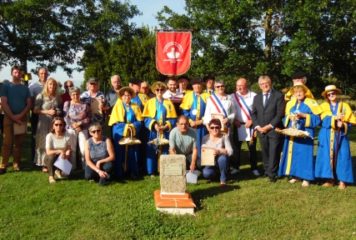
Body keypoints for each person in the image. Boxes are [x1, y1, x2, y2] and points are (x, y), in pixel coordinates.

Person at [278, 83, 321, 187]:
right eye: (296, 92)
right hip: (293, 133)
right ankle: (296, 175)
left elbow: (318, 119)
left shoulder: (311, 103)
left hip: (305, 134)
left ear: (305, 92)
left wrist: (304, 116)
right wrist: (290, 118)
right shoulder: (291, 104)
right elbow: (285, 118)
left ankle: (306, 178)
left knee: (304, 155)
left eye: (300, 92)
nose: (298, 94)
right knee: (293, 154)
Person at [315, 85, 356, 189]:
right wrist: (333, 120)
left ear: (336, 93)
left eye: (333, 93)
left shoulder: (345, 106)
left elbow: (351, 122)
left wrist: (343, 125)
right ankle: (330, 179)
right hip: (326, 134)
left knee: (343, 156)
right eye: (329, 94)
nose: (331, 95)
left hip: (341, 135)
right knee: (326, 156)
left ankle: (342, 180)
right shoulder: (323, 106)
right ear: (326, 96)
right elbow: (322, 121)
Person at [251, 75, 284, 182]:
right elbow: (253, 114)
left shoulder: (278, 96)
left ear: (270, 83)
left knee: (274, 152)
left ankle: (273, 173)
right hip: (261, 130)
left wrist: (269, 126)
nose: (264, 85)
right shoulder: (257, 97)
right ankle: (267, 170)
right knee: (265, 152)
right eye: (261, 84)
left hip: (274, 129)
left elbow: (279, 114)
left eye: (266, 83)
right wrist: (257, 126)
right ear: (259, 86)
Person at [0, 66, 31, 174]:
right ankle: (3, 164)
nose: (17, 74)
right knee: (7, 142)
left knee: (18, 143)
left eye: (19, 72)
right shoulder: (5, 86)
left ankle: (16, 163)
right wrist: (13, 117)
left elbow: (28, 104)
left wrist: (20, 116)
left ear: (21, 74)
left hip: (22, 118)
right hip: (8, 118)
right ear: (12, 73)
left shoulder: (25, 88)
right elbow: (3, 103)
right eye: (15, 72)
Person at [142, 81, 177, 176]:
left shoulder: (168, 102)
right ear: (154, 91)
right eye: (157, 90)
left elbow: (173, 118)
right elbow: (146, 118)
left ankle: (164, 170)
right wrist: (154, 125)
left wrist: (166, 126)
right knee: (151, 149)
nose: (159, 91)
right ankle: (151, 171)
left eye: (161, 89)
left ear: (164, 90)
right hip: (153, 130)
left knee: (165, 149)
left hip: (165, 130)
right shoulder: (149, 102)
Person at [109, 87, 143, 179]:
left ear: (131, 96)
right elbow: (115, 122)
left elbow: (139, 122)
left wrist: (132, 126)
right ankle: (120, 173)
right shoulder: (117, 105)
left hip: (132, 133)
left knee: (133, 152)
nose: (126, 97)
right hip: (120, 133)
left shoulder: (135, 106)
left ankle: (133, 173)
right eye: (124, 95)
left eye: (128, 95)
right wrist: (125, 127)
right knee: (120, 152)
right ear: (121, 96)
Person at [230, 77, 259, 176]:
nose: (239, 88)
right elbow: (229, 111)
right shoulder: (232, 96)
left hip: (250, 125)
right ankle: (236, 167)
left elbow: (258, 111)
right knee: (236, 148)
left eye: (241, 86)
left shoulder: (254, 96)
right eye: (237, 86)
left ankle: (254, 168)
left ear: (246, 86)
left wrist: (252, 120)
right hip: (237, 125)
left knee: (252, 148)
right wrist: (234, 121)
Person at [33, 78, 62, 171]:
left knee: (53, 143)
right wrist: (47, 111)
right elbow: (35, 110)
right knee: (42, 143)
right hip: (43, 122)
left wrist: (57, 111)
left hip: (54, 124)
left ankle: (52, 162)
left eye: (54, 85)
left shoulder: (58, 97)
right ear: (47, 85)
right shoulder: (40, 95)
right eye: (50, 84)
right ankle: (43, 164)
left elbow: (60, 109)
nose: (52, 86)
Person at [180, 78, 209, 160]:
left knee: (203, 144)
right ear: (192, 86)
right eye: (195, 84)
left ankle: (203, 164)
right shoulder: (188, 95)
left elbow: (210, 111)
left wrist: (201, 121)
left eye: (199, 84)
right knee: (191, 144)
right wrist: (190, 121)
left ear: (202, 86)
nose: (197, 86)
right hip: (190, 125)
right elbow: (185, 111)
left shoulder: (207, 95)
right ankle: (192, 164)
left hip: (203, 125)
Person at [63, 87, 91, 166]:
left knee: (83, 149)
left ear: (80, 94)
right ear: (70, 95)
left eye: (77, 94)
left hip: (83, 128)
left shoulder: (85, 105)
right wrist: (74, 126)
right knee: (72, 149)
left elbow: (89, 117)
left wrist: (80, 123)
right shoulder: (67, 104)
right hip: (71, 129)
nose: (75, 96)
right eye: (73, 94)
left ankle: (85, 167)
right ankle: (72, 167)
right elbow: (65, 117)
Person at [201, 119, 233, 185]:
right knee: (206, 173)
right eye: (212, 127)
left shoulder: (224, 136)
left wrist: (219, 151)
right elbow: (203, 150)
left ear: (220, 127)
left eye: (217, 127)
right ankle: (216, 175)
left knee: (222, 159)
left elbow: (230, 151)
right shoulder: (205, 138)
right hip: (210, 162)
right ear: (209, 128)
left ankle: (223, 179)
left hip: (221, 160)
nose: (214, 129)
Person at [45, 117, 74, 183]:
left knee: (67, 175)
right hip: (51, 157)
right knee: (51, 156)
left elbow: (69, 148)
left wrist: (67, 154)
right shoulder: (49, 136)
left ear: (64, 126)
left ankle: (58, 170)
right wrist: (60, 151)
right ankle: (51, 176)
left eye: (61, 125)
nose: (58, 126)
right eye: (56, 124)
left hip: (63, 157)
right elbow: (48, 152)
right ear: (53, 126)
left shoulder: (67, 135)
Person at [29, 67, 48, 162]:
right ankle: (35, 158)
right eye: (41, 73)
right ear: (38, 74)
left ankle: (46, 158)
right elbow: (31, 102)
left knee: (47, 137)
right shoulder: (33, 86)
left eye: (45, 73)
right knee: (35, 136)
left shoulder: (51, 84)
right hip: (37, 115)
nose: (43, 75)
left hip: (48, 116)